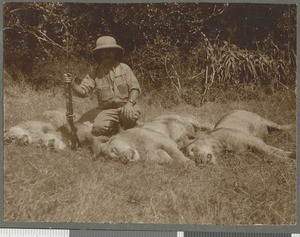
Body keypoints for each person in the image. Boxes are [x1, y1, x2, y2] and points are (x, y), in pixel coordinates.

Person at [64, 36, 141, 137]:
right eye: (103, 51)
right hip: (107, 111)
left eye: (110, 51)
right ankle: (115, 128)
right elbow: (83, 91)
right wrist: (72, 84)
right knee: (97, 129)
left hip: (125, 107)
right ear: (99, 54)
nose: (107, 54)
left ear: (115, 52)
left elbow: (135, 88)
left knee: (129, 117)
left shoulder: (125, 69)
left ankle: (133, 127)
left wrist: (130, 104)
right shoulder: (95, 73)